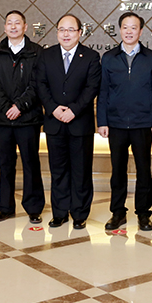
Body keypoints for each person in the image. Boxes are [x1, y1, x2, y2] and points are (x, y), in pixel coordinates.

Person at [97, 12, 152, 232]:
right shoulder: (109, 57)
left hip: (142, 123)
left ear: (141, 31)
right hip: (115, 123)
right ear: (119, 30)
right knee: (118, 170)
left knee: (144, 170)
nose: (129, 31)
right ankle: (118, 213)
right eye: (125, 27)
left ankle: (144, 214)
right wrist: (102, 121)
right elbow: (103, 92)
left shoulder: (151, 58)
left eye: (133, 27)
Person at [35, 13, 101, 229]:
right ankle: (60, 212)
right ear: (57, 32)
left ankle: (80, 213)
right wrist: (53, 109)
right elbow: (40, 84)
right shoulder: (46, 55)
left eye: (71, 30)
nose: (66, 34)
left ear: (80, 33)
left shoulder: (91, 57)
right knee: (58, 170)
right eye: (62, 29)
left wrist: (73, 110)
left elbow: (92, 88)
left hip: (79, 123)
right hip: (54, 123)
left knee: (81, 170)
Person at [0, 10, 45, 224]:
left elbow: (37, 83)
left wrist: (20, 106)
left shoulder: (36, 52)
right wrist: (6, 107)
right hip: (3, 119)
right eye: (9, 23)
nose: (13, 26)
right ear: (4, 28)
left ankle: (34, 208)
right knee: (5, 164)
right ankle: (5, 208)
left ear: (25, 27)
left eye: (17, 23)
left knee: (31, 163)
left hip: (28, 118)